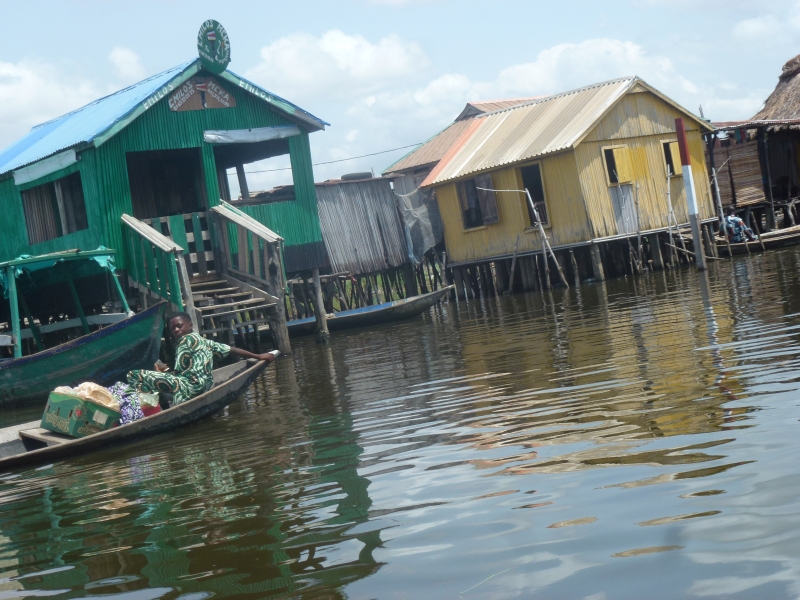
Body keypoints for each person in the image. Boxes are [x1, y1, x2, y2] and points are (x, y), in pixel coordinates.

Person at [127, 312, 275, 405]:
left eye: (179, 326)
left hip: (188, 388)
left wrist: (160, 373)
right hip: (204, 386)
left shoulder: (184, 341)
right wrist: (258, 356)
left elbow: (178, 372)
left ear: (190, 325)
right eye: (173, 328)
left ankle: (151, 408)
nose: (176, 330)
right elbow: (232, 350)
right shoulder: (205, 341)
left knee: (134, 375)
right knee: (158, 381)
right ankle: (160, 401)